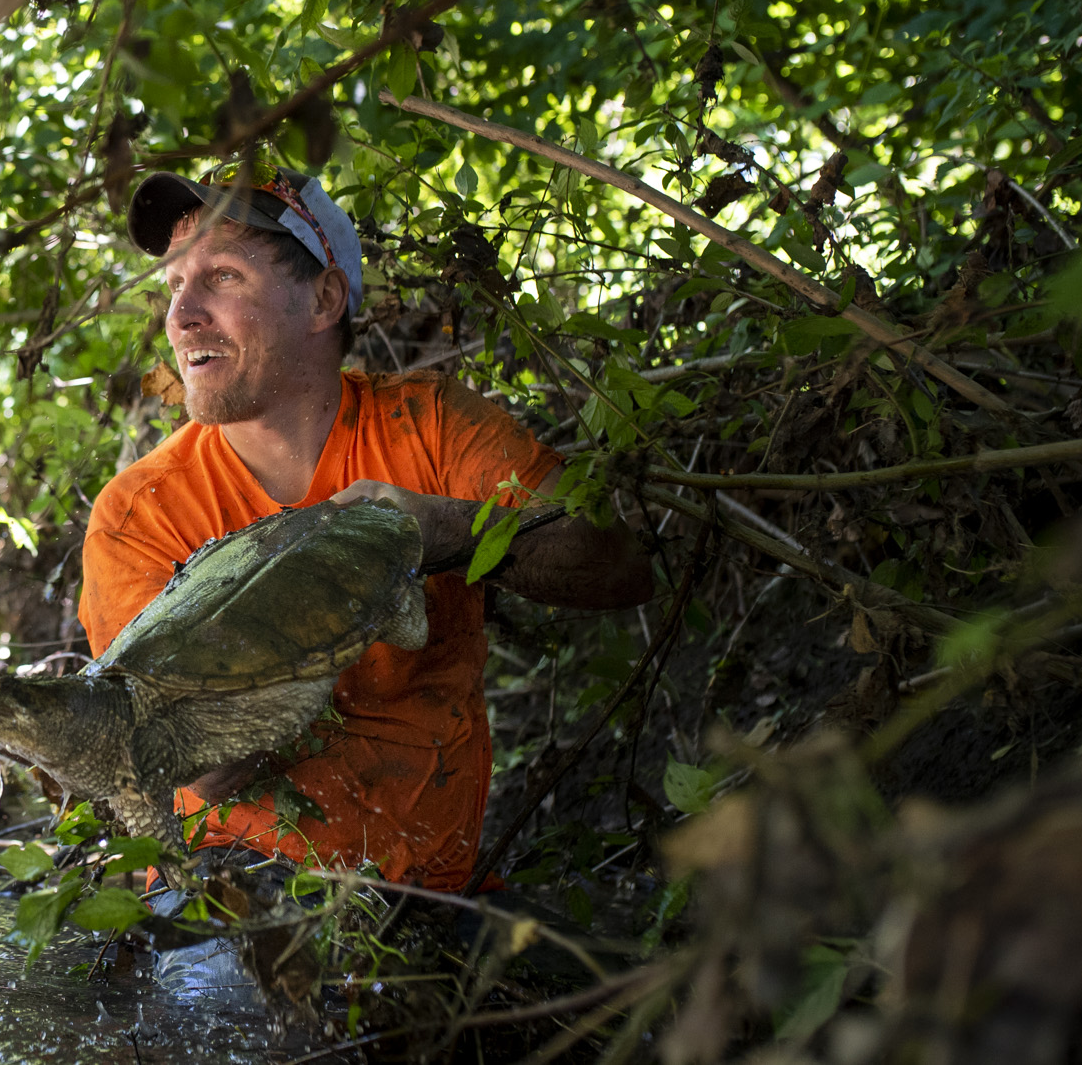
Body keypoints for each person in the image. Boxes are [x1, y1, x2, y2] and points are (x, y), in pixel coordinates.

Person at [77, 161, 655, 900]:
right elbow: (193, 761)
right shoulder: (140, 510)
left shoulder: (434, 427)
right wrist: (342, 585)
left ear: (323, 297)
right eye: (174, 285)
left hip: (429, 893)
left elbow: (621, 562)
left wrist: (449, 532)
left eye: (221, 278)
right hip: (223, 900)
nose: (181, 315)